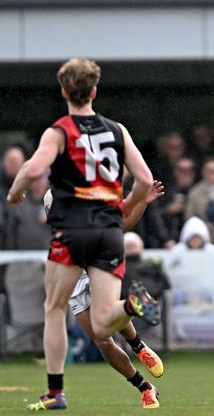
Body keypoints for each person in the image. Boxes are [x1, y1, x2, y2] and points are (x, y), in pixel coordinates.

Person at [6, 57, 159, 410]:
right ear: (94, 91)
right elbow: (146, 179)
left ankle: (56, 392)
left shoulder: (59, 131)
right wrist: (125, 204)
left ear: (64, 92)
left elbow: (35, 167)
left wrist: (15, 192)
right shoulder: (117, 130)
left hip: (73, 229)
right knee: (105, 319)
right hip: (108, 230)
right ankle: (133, 305)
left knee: (54, 307)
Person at [45, 184, 165, 410]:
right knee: (102, 339)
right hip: (73, 276)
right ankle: (145, 387)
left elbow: (122, 225)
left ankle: (139, 346)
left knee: (105, 320)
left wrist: (143, 202)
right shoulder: (55, 199)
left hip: (95, 265)